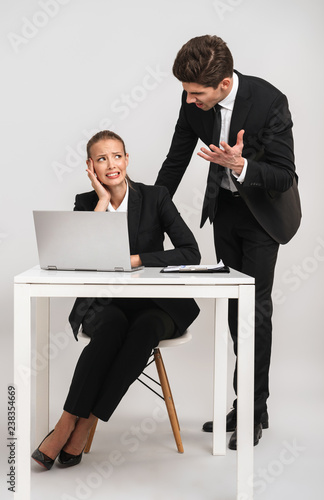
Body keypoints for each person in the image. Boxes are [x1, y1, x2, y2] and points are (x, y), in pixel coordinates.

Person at [155, 35, 301, 449]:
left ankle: (253, 411)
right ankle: (251, 403)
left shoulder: (270, 101)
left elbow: (284, 176)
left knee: (254, 310)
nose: (188, 101)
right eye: (185, 92)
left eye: (196, 94)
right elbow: (175, 160)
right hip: (226, 213)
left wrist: (241, 164)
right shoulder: (193, 102)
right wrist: (144, 212)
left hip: (263, 215)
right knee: (237, 309)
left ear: (223, 84)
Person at [31, 130, 201, 470]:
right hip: (107, 303)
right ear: (91, 166)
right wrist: (102, 203)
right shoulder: (85, 202)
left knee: (144, 331)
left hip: (158, 304)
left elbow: (190, 252)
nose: (112, 164)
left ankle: (85, 422)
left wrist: (135, 259)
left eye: (117, 156)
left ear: (127, 159)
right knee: (109, 331)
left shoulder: (156, 197)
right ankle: (68, 421)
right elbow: (78, 258)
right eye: (102, 158)